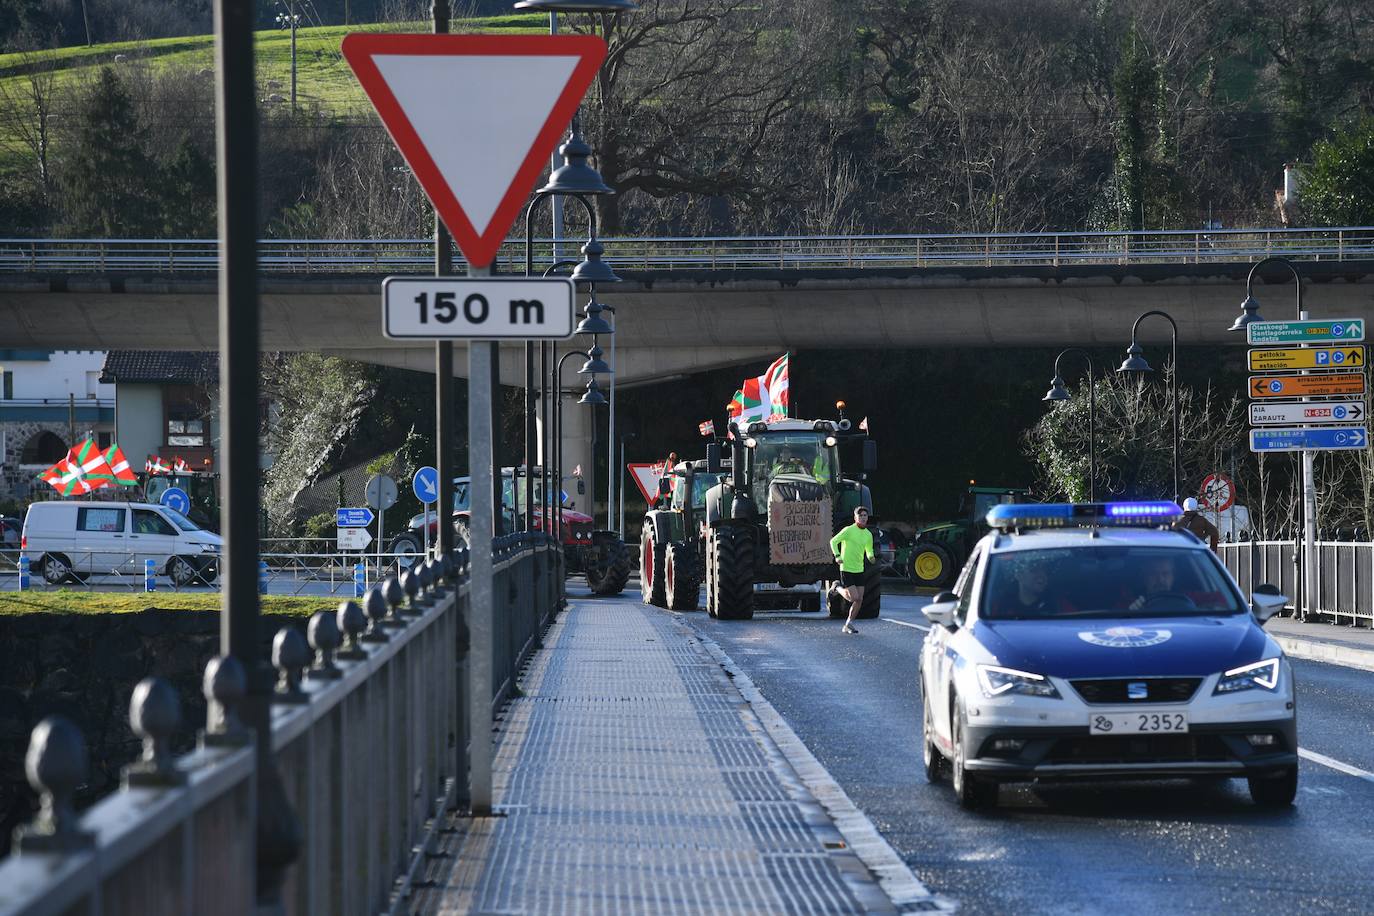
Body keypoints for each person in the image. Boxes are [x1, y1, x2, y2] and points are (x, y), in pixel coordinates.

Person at [829, 506, 875, 634]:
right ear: (855, 518)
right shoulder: (848, 530)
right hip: (846, 568)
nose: (863, 518)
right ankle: (837, 587)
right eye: (860, 516)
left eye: (865, 515)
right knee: (853, 598)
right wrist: (837, 556)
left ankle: (849, 624)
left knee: (859, 599)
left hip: (859, 569)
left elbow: (869, 550)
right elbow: (833, 541)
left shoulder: (868, 534)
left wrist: (871, 557)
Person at [994, 556, 1073, 617]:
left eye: (1045, 570)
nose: (1042, 575)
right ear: (1019, 575)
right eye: (1034, 569)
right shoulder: (1002, 607)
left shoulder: (1058, 605)